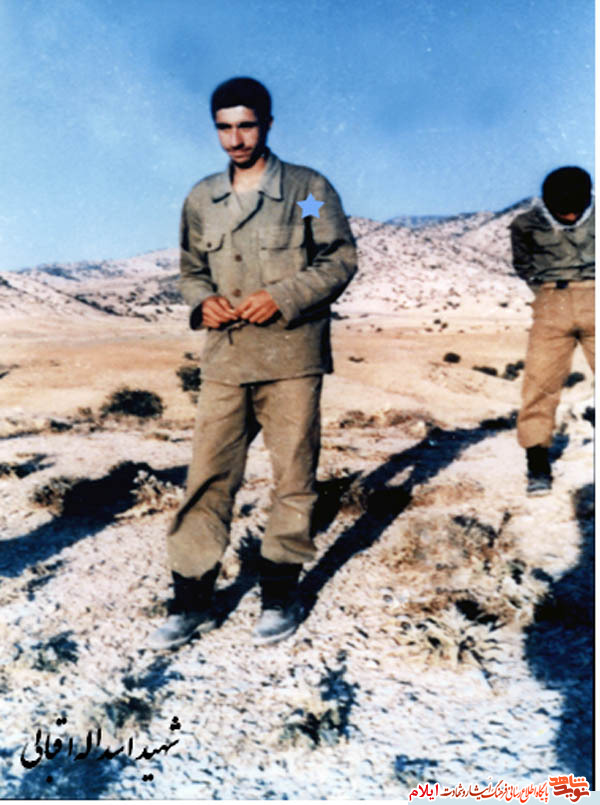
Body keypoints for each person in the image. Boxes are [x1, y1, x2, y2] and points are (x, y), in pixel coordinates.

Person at [148, 77, 357, 649]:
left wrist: (282, 296)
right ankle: (191, 600)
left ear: (267, 124)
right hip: (226, 358)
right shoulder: (202, 198)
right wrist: (202, 303)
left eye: (246, 126)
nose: (235, 139)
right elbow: (191, 270)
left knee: (293, 477)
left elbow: (339, 259)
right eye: (224, 128)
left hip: (291, 355)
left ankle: (279, 594)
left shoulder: (307, 190)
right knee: (207, 476)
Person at [510, 166, 594, 495]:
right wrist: (546, 295)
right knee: (540, 383)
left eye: (575, 209)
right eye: (562, 210)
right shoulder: (525, 224)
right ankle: (537, 463)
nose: (570, 216)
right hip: (551, 303)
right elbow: (523, 265)